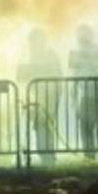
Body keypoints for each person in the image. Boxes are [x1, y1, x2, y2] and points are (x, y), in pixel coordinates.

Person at [67, 24, 98, 161]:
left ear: (91, 35)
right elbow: (75, 73)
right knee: (86, 128)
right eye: (79, 34)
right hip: (86, 95)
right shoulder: (75, 52)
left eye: (85, 33)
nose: (82, 36)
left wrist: (87, 59)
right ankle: (89, 158)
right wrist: (74, 92)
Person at [19, 28, 62, 164]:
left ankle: (48, 156)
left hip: (49, 94)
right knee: (39, 125)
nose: (32, 44)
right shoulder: (32, 56)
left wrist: (32, 69)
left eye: (34, 40)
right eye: (31, 41)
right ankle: (45, 155)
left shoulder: (50, 54)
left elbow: (54, 71)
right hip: (36, 96)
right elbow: (24, 77)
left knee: (46, 125)